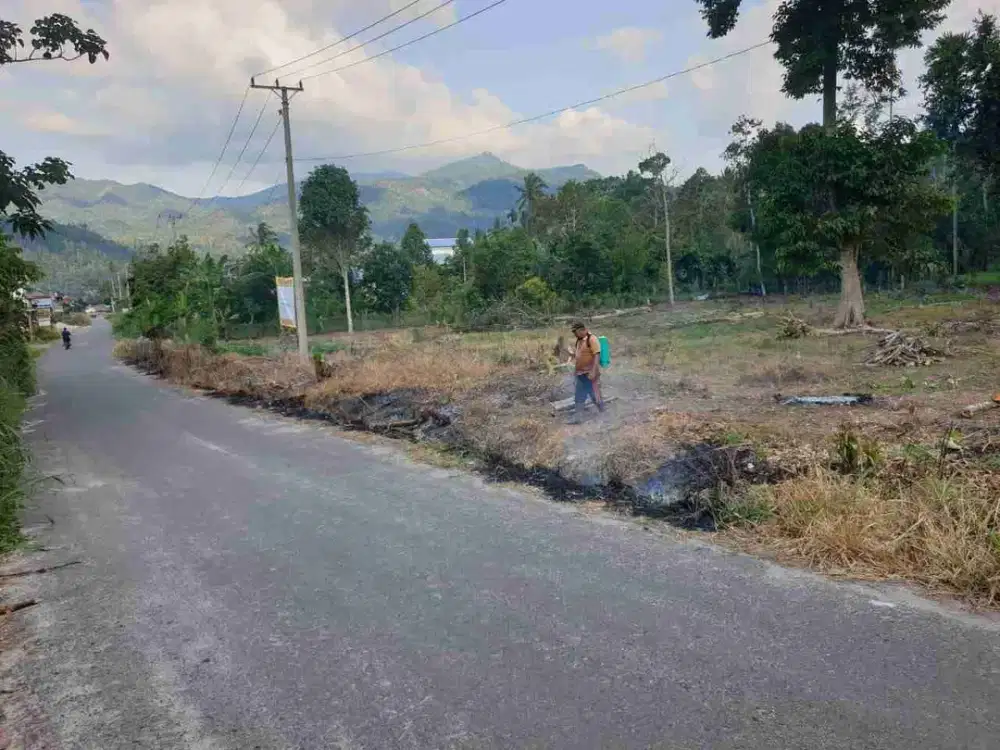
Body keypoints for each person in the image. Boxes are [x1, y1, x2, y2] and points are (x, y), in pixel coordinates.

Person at [567, 321, 604, 421]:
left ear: (581, 330)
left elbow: (597, 355)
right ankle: (578, 417)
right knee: (579, 394)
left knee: (594, 394)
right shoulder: (579, 340)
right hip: (580, 373)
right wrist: (572, 355)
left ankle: (603, 414)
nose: (574, 334)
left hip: (590, 373)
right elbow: (580, 355)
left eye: (575, 332)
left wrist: (593, 371)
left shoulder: (592, 339)